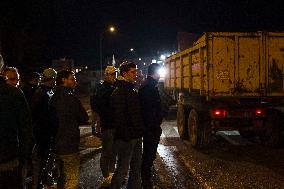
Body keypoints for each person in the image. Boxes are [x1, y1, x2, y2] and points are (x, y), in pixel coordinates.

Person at [49, 70, 88, 189]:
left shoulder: (52, 98)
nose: (75, 81)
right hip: (69, 143)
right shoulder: (72, 98)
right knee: (71, 179)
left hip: (56, 143)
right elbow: (84, 117)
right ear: (63, 80)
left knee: (61, 176)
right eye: (72, 78)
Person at [111, 62, 144, 189]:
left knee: (136, 169)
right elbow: (119, 118)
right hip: (127, 138)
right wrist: (127, 136)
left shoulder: (131, 89)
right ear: (124, 74)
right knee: (123, 169)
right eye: (133, 72)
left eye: (136, 71)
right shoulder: (119, 91)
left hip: (135, 136)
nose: (136, 74)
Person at [0, 73, 33, 188]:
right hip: (9, 160)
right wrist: (23, 157)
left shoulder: (15, 93)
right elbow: (26, 128)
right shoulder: (13, 93)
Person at [90, 66, 117, 187]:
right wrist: (95, 123)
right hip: (107, 125)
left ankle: (112, 172)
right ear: (106, 75)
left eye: (115, 74)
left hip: (116, 125)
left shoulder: (115, 87)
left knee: (114, 151)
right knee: (107, 150)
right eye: (112, 74)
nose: (114, 76)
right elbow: (96, 108)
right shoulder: (101, 89)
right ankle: (106, 175)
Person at [30, 68, 57, 189]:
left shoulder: (48, 91)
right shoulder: (40, 93)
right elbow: (36, 114)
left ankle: (46, 179)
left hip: (48, 132)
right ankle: (37, 184)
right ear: (51, 79)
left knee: (48, 158)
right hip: (42, 133)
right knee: (40, 161)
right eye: (54, 79)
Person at [138, 63, 164, 189]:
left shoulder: (149, 85)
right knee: (149, 154)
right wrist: (154, 125)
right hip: (150, 128)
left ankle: (146, 176)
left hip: (150, 127)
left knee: (149, 154)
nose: (160, 75)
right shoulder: (148, 87)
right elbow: (149, 110)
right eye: (159, 73)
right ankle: (146, 180)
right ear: (155, 73)